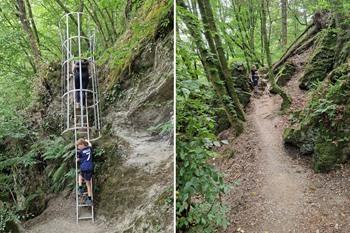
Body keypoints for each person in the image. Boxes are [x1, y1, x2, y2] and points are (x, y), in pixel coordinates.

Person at [76, 138, 93, 205]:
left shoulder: (80, 152)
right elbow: (90, 144)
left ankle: (80, 188)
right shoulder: (89, 148)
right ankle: (89, 199)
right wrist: (87, 141)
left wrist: (77, 159)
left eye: (78, 146)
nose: (78, 147)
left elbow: (77, 159)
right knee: (88, 184)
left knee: (80, 175)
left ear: (82, 144)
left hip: (83, 167)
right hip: (90, 167)